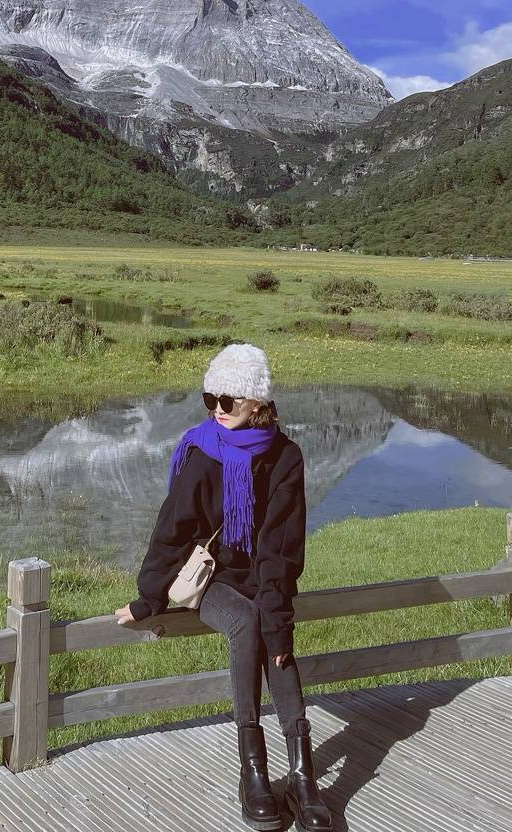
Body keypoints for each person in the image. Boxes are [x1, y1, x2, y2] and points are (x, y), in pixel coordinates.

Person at [114, 343, 332, 831]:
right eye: (209, 398)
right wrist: (149, 598)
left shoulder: (285, 458)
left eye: (227, 400)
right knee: (248, 620)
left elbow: (282, 547)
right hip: (211, 578)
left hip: (261, 577)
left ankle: (302, 778)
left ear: (257, 402)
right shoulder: (202, 452)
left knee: (276, 639)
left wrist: (279, 619)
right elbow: (172, 528)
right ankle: (253, 771)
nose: (217, 409)